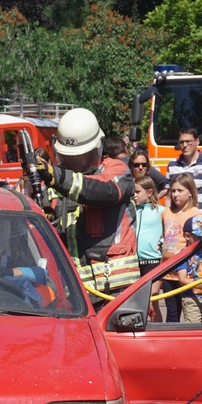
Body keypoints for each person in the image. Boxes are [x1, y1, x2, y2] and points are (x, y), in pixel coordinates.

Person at [36, 108, 138, 299]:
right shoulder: (54, 183)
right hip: (75, 294)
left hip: (117, 293)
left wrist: (56, 176)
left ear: (98, 149)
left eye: (81, 157)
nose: (75, 164)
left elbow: (99, 190)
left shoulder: (117, 170)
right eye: (69, 158)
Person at [159, 173, 201, 323]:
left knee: (190, 310)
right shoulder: (166, 212)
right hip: (167, 271)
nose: (176, 194)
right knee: (172, 312)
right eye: (173, 190)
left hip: (186, 272)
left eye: (180, 190)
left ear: (190, 192)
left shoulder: (195, 213)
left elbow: (200, 242)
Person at [133, 176, 164, 320]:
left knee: (152, 301)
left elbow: (172, 231)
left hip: (153, 262)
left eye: (138, 192)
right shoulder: (130, 211)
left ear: (150, 192)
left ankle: (158, 331)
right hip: (134, 262)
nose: (134, 195)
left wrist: (163, 243)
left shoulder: (161, 211)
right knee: (137, 303)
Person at [176, 215, 202, 323]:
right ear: (187, 236)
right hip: (192, 299)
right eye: (199, 237)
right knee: (195, 329)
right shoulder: (184, 255)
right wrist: (199, 284)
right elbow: (182, 279)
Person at [166, 128, 202, 211]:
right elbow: (169, 196)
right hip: (178, 218)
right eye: (181, 142)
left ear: (197, 142)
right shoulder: (172, 165)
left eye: (189, 141)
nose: (185, 145)